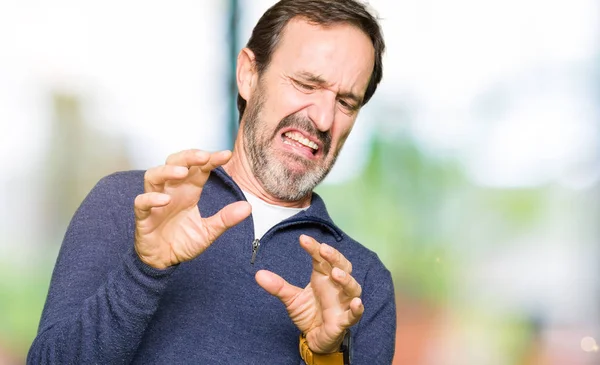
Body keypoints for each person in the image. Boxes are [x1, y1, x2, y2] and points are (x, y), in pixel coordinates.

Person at [28, 0, 396, 364]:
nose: (323, 118)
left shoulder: (361, 283)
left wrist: (324, 356)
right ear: (248, 75)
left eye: (346, 102)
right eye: (305, 84)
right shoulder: (130, 204)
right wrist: (144, 270)